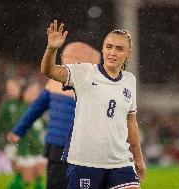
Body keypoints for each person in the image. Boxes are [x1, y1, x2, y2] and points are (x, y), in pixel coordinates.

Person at [41, 20, 146, 189]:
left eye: (119, 49)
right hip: (85, 162)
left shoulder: (129, 80)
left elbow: (131, 122)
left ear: (128, 53)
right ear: (103, 48)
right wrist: (51, 48)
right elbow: (49, 70)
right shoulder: (84, 72)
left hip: (120, 161)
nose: (112, 52)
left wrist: (138, 159)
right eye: (109, 46)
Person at [7, 41, 101, 189]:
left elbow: (34, 110)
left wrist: (18, 130)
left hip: (56, 147)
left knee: (55, 183)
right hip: (79, 148)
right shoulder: (91, 86)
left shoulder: (54, 84)